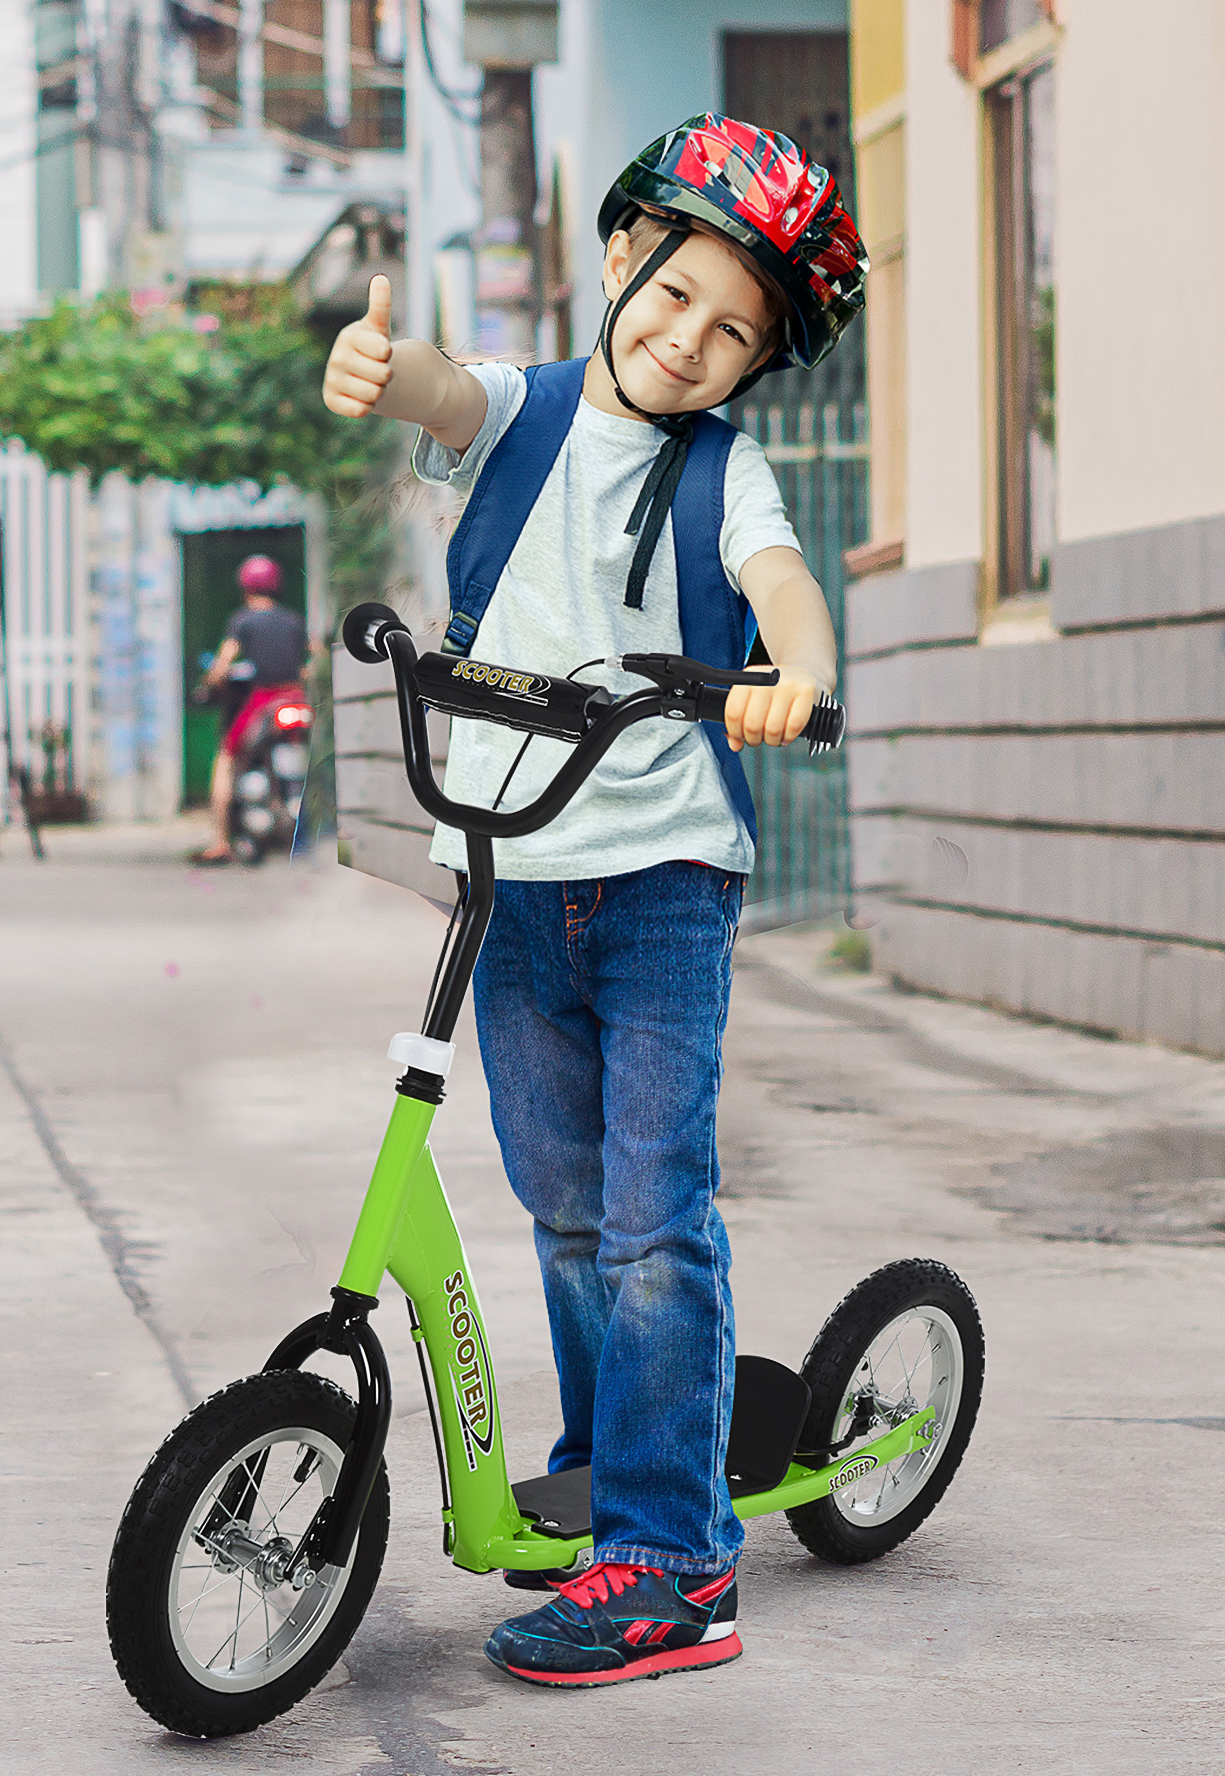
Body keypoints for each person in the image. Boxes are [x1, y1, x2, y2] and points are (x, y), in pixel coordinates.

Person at [322, 114, 867, 1687]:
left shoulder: (728, 472)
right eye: (676, 292)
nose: (691, 341)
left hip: (661, 880)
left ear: (756, 365)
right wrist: (381, 368)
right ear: (624, 253)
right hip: (514, 866)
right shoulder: (524, 415)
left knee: (650, 1219)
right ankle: (611, 1475)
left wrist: (798, 671)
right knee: (566, 1213)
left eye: (734, 334)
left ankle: (679, 1564)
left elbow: (780, 582)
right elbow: (438, 385)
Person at [192, 554, 310, 864]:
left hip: (261, 702)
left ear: (245, 586)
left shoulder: (242, 620)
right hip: (296, 698)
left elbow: (223, 663)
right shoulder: (294, 621)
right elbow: (312, 660)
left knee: (227, 760)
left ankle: (220, 842)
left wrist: (212, 680)